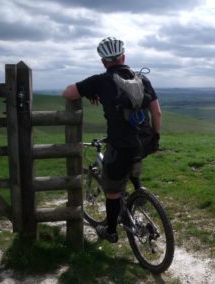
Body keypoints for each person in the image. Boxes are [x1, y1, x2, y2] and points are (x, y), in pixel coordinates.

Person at [62, 37, 162, 243]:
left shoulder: (100, 81)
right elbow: (157, 112)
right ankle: (139, 196)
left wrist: (90, 93)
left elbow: (68, 93)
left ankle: (111, 231)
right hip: (144, 141)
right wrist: (155, 138)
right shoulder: (142, 79)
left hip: (121, 144)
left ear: (103, 61)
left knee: (113, 191)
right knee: (131, 161)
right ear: (123, 56)